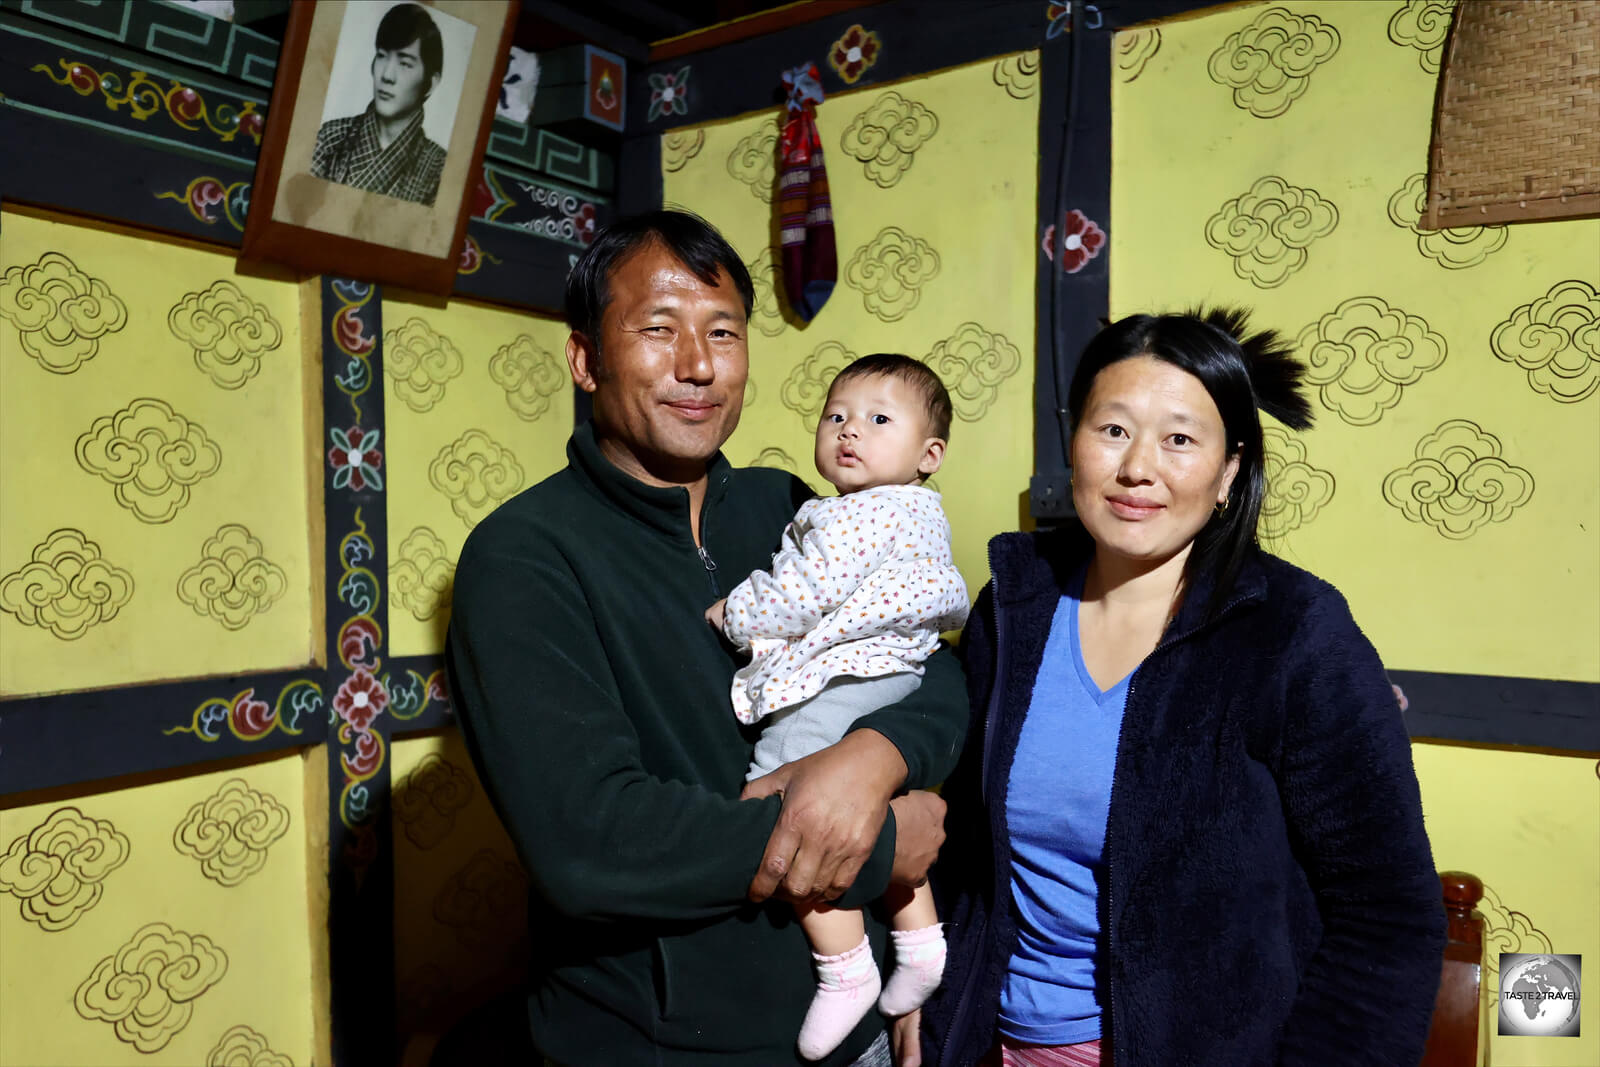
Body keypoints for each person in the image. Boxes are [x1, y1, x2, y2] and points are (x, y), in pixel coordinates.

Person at [444, 210, 969, 1067]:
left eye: (722, 331)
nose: (697, 364)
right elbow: (592, 841)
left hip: (859, 1030)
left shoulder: (794, 507)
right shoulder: (524, 555)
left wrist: (875, 755)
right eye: (657, 329)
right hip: (672, 1048)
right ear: (585, 359)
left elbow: (923, 661)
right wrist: (877, 847)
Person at [919, 309, 1446, 1066]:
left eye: (1179, 439)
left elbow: (1387, 914)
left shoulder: (1293, 630)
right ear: (1074, 443)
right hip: (991, 1042)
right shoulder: (1013, 607)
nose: (1139, 468)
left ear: (1231, 470)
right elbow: (967, 850)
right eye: (1113, 430)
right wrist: (936, 1000)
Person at [704, 355, 969, 1060]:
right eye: (837, 416)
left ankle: (844, 967)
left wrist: (733, 612)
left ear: (928, 454)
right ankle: (920, 942)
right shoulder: (918, 510)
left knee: (788, 799)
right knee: (882, 812)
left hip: (845, 680)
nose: (851, 431)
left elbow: (798, 593)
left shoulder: (858, 517)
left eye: (879, 420)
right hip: (892, 678)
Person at [310, 2, 448, 205]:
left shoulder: (439, 168)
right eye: (382, 56)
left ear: (431, 83)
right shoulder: (330, 139)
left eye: (405, 63)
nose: (387, 75)